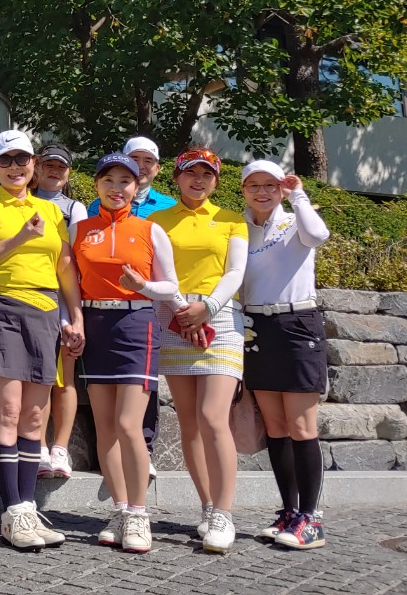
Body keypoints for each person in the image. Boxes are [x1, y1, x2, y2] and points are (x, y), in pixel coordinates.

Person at [0, 129, 83, 550]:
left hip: (45, 313)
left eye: (22, 159)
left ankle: (28, 507)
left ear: (34, 164)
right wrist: (20, 239)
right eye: (6, 160)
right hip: (0, 309)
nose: (15, 167)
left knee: (35, 416)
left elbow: (65, 267)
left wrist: (76, 316)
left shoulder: (50, 210)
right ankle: (12, 511)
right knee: (9, 411)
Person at [79, 153, 181, 555]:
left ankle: (139, 513)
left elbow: (171, 286)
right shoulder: (80, 229)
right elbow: (71, 281)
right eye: (108, 180)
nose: (116, 188)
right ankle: (120, 510)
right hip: (95, 325)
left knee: (127, 424)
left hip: (137, 323)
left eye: (125, 180)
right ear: (97, 185)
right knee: (105, 426)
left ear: (137, 187)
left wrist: (143, 286)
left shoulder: (150, 229)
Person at [151, 148, 248, 554]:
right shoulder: (158, 220)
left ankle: (224, 513)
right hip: (174, 317)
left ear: (216, 181)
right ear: (176, 178)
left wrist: (207, 307)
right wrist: (183, 312)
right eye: (190, 173)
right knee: (189, 422)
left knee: (212, 416)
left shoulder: (232, 219)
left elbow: (235, 271)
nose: (198, 180)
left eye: (206, 174)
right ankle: (207, 506)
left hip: (221, 318)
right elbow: (159, 271)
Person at [239, 160, 331, 551]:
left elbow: (318, 234)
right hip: (257, 328)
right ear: (243, 190)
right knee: (275, 426)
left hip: (297, 324)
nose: (262, 192)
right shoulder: (240, 229)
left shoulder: (295, 220)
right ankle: (290, 512)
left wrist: (298, 195)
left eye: (271, 185)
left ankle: (311, 518)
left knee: (301, 425)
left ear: (281, 188)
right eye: (253, 185)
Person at [87, 135, 176, 470]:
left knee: (134, 409)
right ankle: (121, 480)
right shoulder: (90, 215)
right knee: (108, 419)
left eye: (146, 161)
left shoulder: (166, 209)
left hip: (146, 313)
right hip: (98, 320)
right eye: (134, 159)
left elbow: (169, 277)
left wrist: (150, 289)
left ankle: (143, 452)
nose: (141, 166)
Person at [30, 142, 87, 481]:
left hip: (64, 298)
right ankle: (38, 447)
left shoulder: (74, 209)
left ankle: (61, 448)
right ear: (36, 167)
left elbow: (76, 263)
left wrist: (72, 315)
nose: (54, 171)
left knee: (64, 376)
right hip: (32, 298)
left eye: (60, 167)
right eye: (48, 164)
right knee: (38, 378)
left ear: (68, 173)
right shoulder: (23, 200)